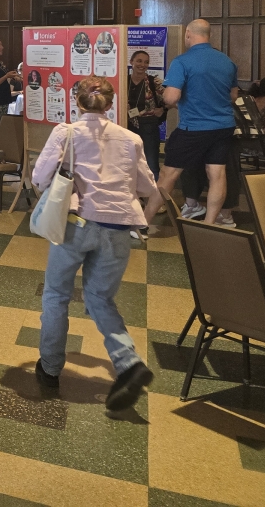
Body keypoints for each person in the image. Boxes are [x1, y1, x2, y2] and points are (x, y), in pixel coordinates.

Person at [33, 76, 160, 413]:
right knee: (101, 298)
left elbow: (40, 176)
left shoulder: (66, 133)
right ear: (111, 101)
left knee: (57, 295)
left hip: (75, 225)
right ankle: (128, 363)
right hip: (118, 228)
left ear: (77, 102)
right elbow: (149, 188)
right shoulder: (131, 139)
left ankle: (50, 368)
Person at [148, 19, 239, 226]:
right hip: (224, 126)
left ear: (188, 34)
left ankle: (142, 222)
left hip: (194, 128)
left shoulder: (182, 61)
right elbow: (233, 96)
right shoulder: (227, 61)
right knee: (217, 174)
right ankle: (209, 224)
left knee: (168, 174)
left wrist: (168, 96)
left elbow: (171, 98)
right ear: (209, 35)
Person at [127, 50, 167, 179]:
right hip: (126, 127)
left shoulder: (154, 82)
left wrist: (163, 109)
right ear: (131, 62)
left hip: (148, 128)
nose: (142, 64)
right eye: (139, 61)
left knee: (151, 164)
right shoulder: (123, 81)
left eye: (146, 62)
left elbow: (172, 99)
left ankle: (153, 197)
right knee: (128, 162)